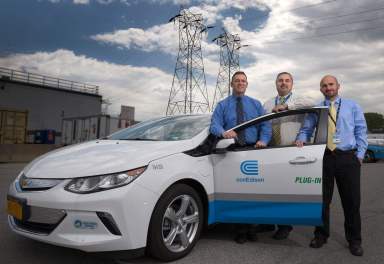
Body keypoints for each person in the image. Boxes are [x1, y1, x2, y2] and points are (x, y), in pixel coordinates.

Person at [296, 75, 367, 256]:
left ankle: (354, 240)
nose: (328, 88)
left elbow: (360, 130)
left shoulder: (352, 106)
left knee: (351, 202)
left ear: (338, 86)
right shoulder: (318, 109)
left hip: (347, 158)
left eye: (331, 84)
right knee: (322, 201)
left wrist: (359, 155)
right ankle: (321, 235)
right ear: (321, 89)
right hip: (324, 157)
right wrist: (301, 139)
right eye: (324, 85)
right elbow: (306, 129)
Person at [210, 71, 271, 244]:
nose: (240, 83)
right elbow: (214, 124)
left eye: (243, 81)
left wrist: (264, 139)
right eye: (237, 81)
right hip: (233, 150)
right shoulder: (222, 105)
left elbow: (265, 125)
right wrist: (223, 132)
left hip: (253, 149)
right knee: (236, 192)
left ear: (247, 84)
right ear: (231, 84)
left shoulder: (256, 104)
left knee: (254, 191)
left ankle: (252, 227)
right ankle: (240, 230)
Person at [259, 72, 314, 240]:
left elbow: (312, 103)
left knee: (285, 191)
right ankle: (269, 221)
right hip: (271, 151)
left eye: (287, 81)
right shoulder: (267, 103)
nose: (283, 83)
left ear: (292, 84)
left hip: (291, 151)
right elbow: (263, 125)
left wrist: (287, 107)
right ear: (276, 84)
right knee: (269, 190)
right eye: (280, 81)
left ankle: (285, 225)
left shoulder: (299, 100)